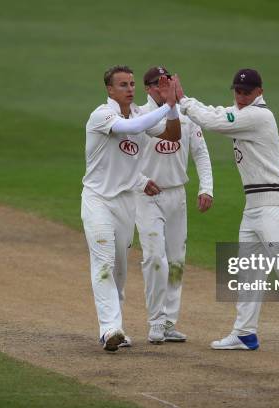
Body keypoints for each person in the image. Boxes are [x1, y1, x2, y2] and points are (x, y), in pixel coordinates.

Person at [173, 69, 279, 352]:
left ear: (260, 91)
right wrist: (187, 102)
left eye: (246, 92)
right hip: (254, 204)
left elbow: (215, 121)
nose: (241, 97)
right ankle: (245, 333)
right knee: (249, 270)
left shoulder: (259, 116)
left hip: (274, 201)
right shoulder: (241, 111)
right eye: (238, 91)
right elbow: (216, 111)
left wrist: (183, 99)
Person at [82, 65, 180, 352]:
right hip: (97, 199)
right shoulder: (102, 115)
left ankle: (117, 327)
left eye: (133, 84)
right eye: (123, 85)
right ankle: (109, 329)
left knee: (119, 270)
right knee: (103, 264)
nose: (130, 89)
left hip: (126, 201)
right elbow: (129, 129)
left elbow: (173, 136)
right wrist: (169, 105)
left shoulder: (140, 114)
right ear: (110, 90)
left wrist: (171, 110)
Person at [136, 66, 213, 344]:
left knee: (176, 261)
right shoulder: (139, 115)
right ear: (148, 88)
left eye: (167, 81)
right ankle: (155, 321)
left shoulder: (185, 114)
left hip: (176, 193)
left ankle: (169, 322)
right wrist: (141, 180)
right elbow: (125, 158)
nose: (163, 86)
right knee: (155, 258)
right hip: (147, 196)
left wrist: (207, 188)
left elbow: (201, 154)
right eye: (158, 84)